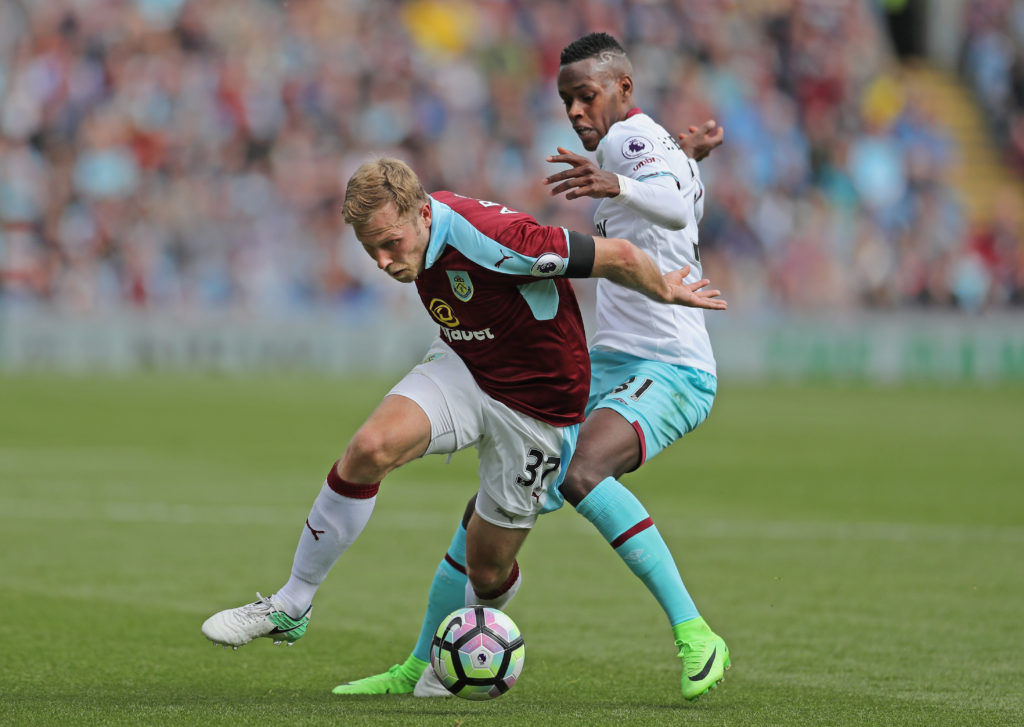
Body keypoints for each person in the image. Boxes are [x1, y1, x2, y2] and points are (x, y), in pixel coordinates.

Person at [200, 158, 726, 681]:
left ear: (423, 215)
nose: (383, 261)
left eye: (390, 244)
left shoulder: (500, 239)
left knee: (488, 570)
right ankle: (292, 605)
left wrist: (666, 291)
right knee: (369, 448)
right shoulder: (415, 232)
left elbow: (620, 255)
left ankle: (445, 668)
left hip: (538, 408)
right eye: (370, 250)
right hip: (468, 364)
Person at [332, 32, 731, 702]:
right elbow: (677, 195)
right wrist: (685, 160)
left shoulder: (629, 146)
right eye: (567, 98)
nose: (576, 110)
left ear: (623, 89)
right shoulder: (648, 141)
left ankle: (696, 632)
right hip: (614, 360)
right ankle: (418, 664)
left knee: (580, 473)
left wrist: (620, 182)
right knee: (491, 498)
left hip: (672, 366)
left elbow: (660, 200)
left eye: (587, 95)